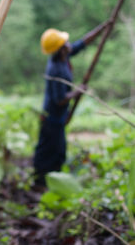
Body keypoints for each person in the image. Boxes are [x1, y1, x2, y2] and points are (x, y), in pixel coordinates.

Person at [33, 21, 111, 188]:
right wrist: (78, 91)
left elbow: (83, 42)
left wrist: (103, 27)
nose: (69, 44)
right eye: (65, 43)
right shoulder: (55, 69)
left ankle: (50, 181)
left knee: (58, 152)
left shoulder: (64, 56)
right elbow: (59, 99)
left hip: (58, 118)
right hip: (51, 119)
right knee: (50, 152)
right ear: (60, 48)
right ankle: (40, 182)